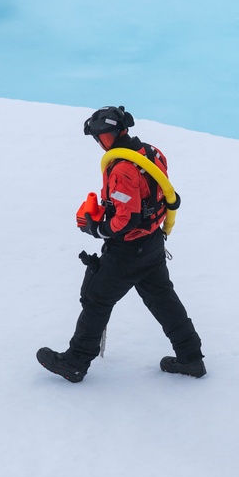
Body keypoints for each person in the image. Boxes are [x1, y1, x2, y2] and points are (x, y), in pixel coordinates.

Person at [37, 106, 205, 383]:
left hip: (128, 251)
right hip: (152, 243)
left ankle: (75, 362)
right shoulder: (150, 153)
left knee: (96, 299)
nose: (99, 143)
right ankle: (191, 357)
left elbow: (127, 220)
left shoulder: (123, 169)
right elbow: (153, 195)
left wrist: (97, 229)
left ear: (111, 135)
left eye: (99, 137)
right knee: (162, 298)